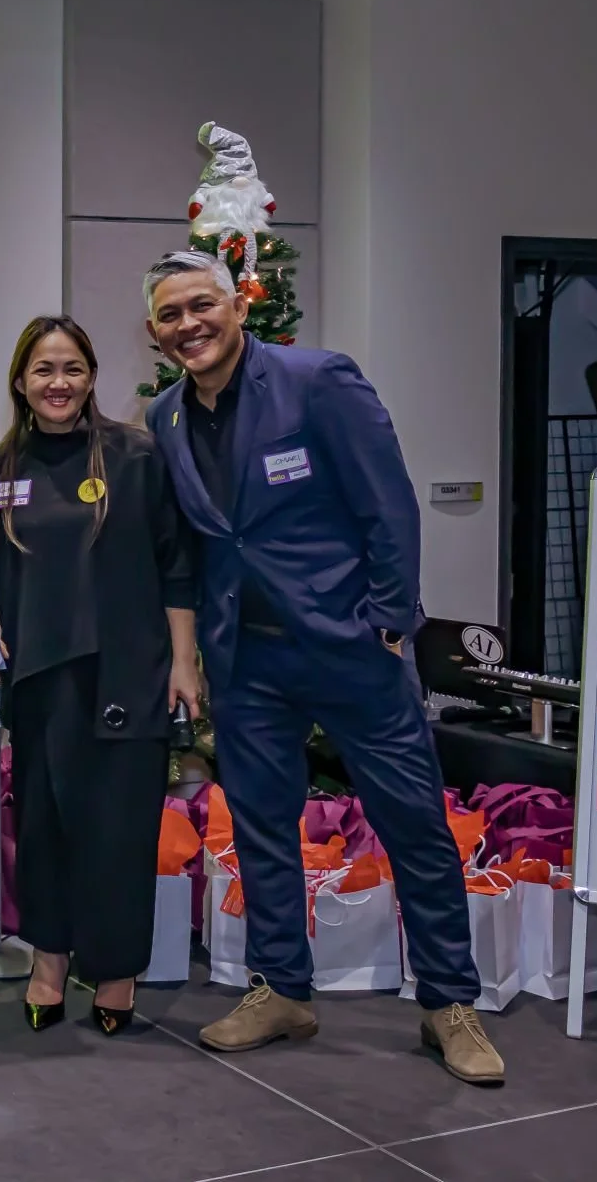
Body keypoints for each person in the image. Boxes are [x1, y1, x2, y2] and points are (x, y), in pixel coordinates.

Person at [142, 248, 505, 1085]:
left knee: (414, 822)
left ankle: (450, 1004)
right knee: (262, 825)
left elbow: (388, 503)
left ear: (237, 307)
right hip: (247, 662)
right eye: (170, 315)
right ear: (156, 333)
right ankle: (282, 991)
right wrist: (190, 654)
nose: (189, 324)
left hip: (349, 651)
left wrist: (390, 624)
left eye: (203, 305)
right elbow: (196, 549)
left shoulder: (319, 382)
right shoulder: (165, 417)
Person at [0, 315, 199, 1036]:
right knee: (42, 828)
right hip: (40, 681)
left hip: (127, 675)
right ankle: (49, 959)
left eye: (72, 367)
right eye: (43, 369)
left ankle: (115, 969)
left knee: (119, 832)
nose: (58, 382)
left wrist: (184, 664)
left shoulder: (135, 455)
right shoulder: (0, 471)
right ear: (21, 380)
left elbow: (176, 565)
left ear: (91, 376)